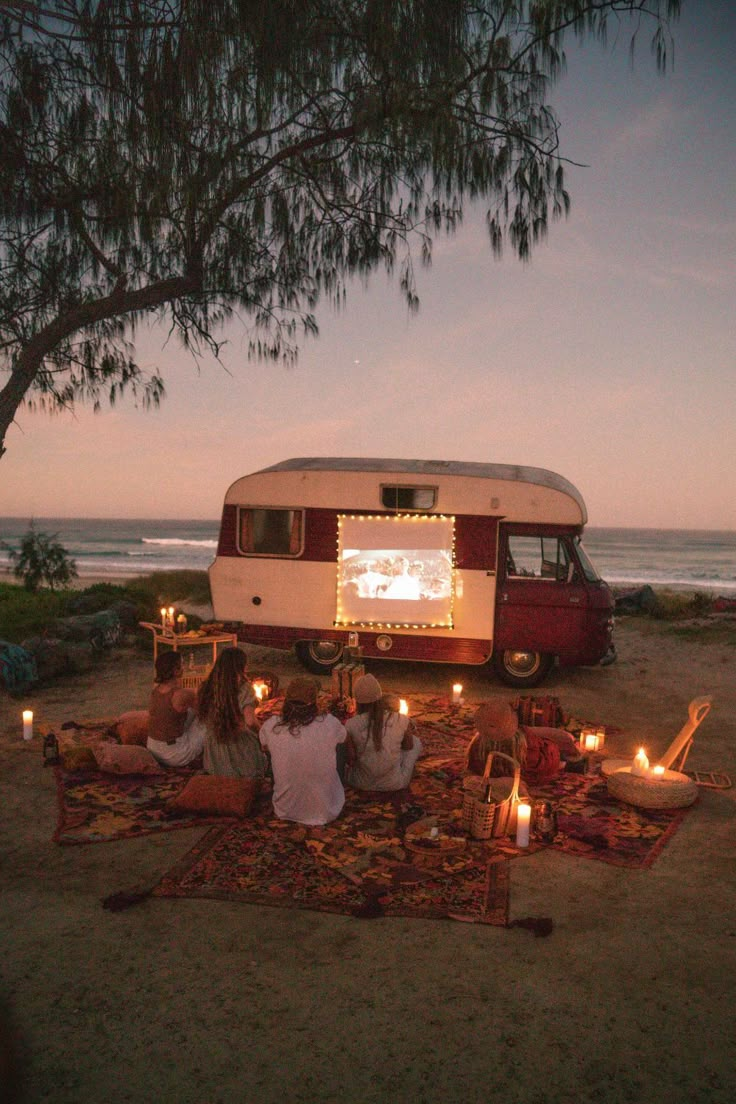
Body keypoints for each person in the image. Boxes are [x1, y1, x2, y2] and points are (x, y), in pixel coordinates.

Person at [259, 677, 347, 825]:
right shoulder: (329, 723)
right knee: (340, 745)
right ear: (314, 703)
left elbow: (263, 747)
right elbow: (344, 738)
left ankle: (287, 789)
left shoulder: (271, 726)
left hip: (285, 809)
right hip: (326, 810)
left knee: (273, 751)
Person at [189, 647, 266, 780]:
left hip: (214, 758)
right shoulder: (244, 689)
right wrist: (262, 735)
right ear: (241, 666)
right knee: (267, 758)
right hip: (239, 749)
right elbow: (250, 721)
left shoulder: (205, 687)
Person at [345, 674, 422, 791]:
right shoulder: (400, 719)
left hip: (360, 783)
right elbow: (408, 746)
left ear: (357, 702)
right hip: (394, 784)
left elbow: (350, 757)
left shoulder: (351, 724)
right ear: (380, 698)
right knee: (416, 742)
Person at [146, 651, 203, 767]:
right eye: (182, 664)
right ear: (176, 671)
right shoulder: (181, 694)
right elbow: (205, 709)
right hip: (174, 755)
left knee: (191, 712)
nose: (184, 667)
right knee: (210, 720)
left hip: (152, 748)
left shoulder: (155, 690)